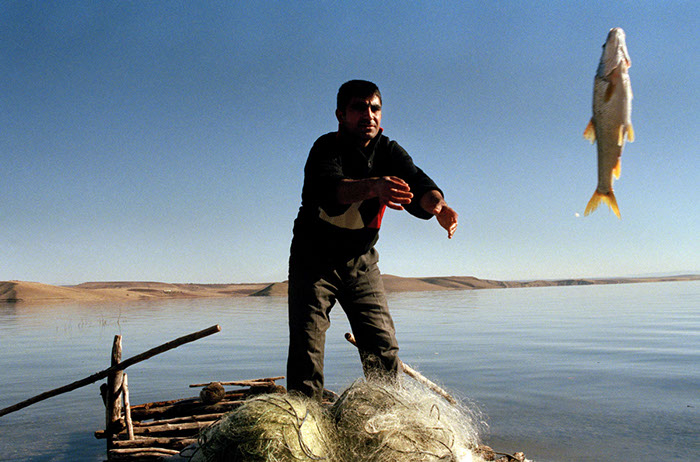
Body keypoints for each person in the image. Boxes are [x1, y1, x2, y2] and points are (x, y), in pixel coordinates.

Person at [287, 80, 458, 400]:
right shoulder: (326, 148)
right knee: (306, 345)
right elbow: (332, 191)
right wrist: (374, 186)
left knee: (382, 345)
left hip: (361, 260)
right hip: (313, 259)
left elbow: (418, 183)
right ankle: (303, 417)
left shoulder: (389, 151)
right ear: (340, 114)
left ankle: (389, 415)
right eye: (359, 108)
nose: (369, 115)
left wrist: (438, 206)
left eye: (375, 108)